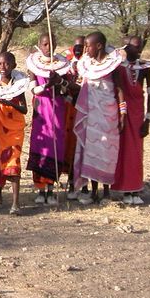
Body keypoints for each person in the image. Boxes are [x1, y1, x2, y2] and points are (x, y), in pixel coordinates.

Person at [73, 31, 126, 204]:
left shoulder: (113, 66)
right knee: (92, 152)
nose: (86, 49)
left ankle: (106, 192)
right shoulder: (86, 65)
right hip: (92, 115)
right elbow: (80, 87)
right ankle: (94, 191)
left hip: (108, 115)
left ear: (99, 46)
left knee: (107, 152)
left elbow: (119, 90)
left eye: (89, 46)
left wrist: (123, 114)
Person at [0, 52, 29, 215]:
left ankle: (15, 203)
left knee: (13, 162)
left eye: (7, 64)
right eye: (0, 64)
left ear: (14, 66)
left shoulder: (18, 87)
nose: (3, 67)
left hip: (14, 131)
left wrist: (9, 102)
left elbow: (24, 109)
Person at [25, 33, 70, 205]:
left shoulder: (62, 65)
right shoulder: (33, 65)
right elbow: (34, 90)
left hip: (57, 109)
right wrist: (48, 85)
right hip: (41, 111)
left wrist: (59, 82)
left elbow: (66, 90)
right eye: (45, 44)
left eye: (52, 44)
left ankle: (51, 190)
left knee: (55, 147)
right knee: (41, 146)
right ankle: (41, 189)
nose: (48, 48)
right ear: (39, 45)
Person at [112, 35, 150, 205]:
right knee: (121, 152)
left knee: (135, 152)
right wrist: (121, 115)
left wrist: (148, 119)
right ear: (126, 47)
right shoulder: (117, 67)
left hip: (137, 115)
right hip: (121, 114)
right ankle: (122, 189)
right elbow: (118, 91)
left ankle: (135, 189)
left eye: (141, 47)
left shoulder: (144, 67)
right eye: (136, 47)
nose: (139, 50)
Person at [63, 36, 85, 200]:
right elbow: (63, 87)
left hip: (86, 110)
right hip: (69, 109)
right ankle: (71, 182)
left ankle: (84, 185)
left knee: (84, 146)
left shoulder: (91, 65)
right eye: (76, 46)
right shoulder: (66, 64)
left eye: (82, 46)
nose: (78, 50)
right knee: (70, 146)